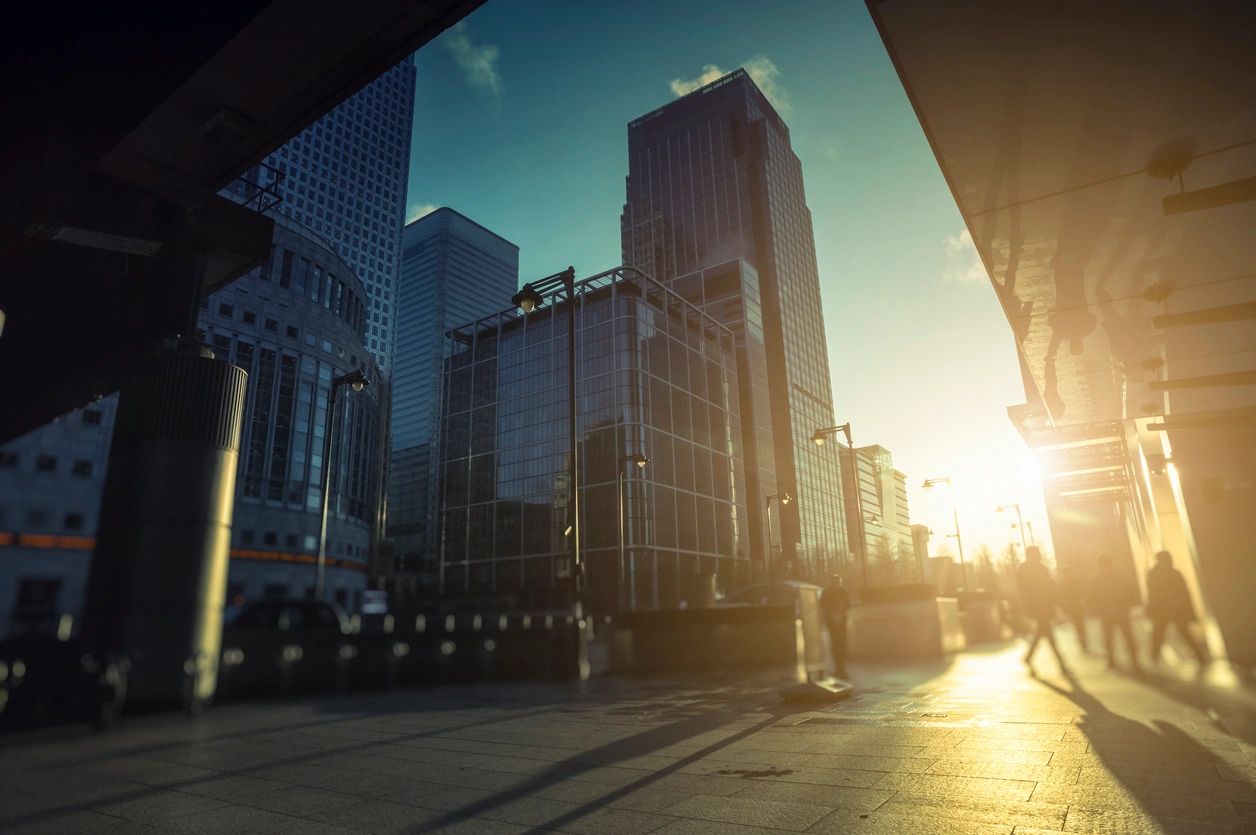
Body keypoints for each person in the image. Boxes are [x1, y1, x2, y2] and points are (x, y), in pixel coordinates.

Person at [1146, 550, 1208, 666]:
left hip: (1163, 611)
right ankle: (1200, 656)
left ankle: (1154, 658)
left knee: (1159, 634)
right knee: (1183, 633)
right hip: (1174, 610)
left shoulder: (1154, 575)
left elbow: (1152, 596)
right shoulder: (1174, 573)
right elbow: (1184, 594)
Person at [1016, 546, 1068, 674]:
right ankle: (1061, 664)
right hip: (1038, 608)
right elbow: (1025, 591)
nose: (1038, 556)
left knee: (1043, 634)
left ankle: (1029, 657)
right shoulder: (1025, 570)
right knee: (1048, 635)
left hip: (1044, 607)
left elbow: (1050, 587)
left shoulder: (1038, 568)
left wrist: (1056, 603)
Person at [1089, 554, 1140, 671]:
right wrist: (1127, 607)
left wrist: (1095, 611)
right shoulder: (1119, 579)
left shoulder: (1095, 580)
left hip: (1107, 615)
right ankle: (1134, 661)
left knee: (1109, 638)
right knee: (1127, 637)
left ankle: (1112, 661)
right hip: (1121, 613)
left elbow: (1091, 599)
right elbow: (1130, 594)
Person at [820, 574, 850, 679]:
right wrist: (837, 610)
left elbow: (823, 604)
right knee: (838, 643)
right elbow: (848, 605)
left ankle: (840, 667)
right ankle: (840, 667)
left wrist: (833, 610)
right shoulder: (842, 592)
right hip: (836, 621)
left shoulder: (828, 592)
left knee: (838, 643)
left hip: (835, 621)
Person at [1057, 566, 1089, 652]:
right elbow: (1082, 592)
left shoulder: (1064, 584)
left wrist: (1065, 608)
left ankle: (1082, 642)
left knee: (1078, 626)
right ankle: (1084, 641)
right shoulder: (1075, 581)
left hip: (1073, 607)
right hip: (1077, 606)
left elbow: (1062, 597)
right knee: (1081, 625)